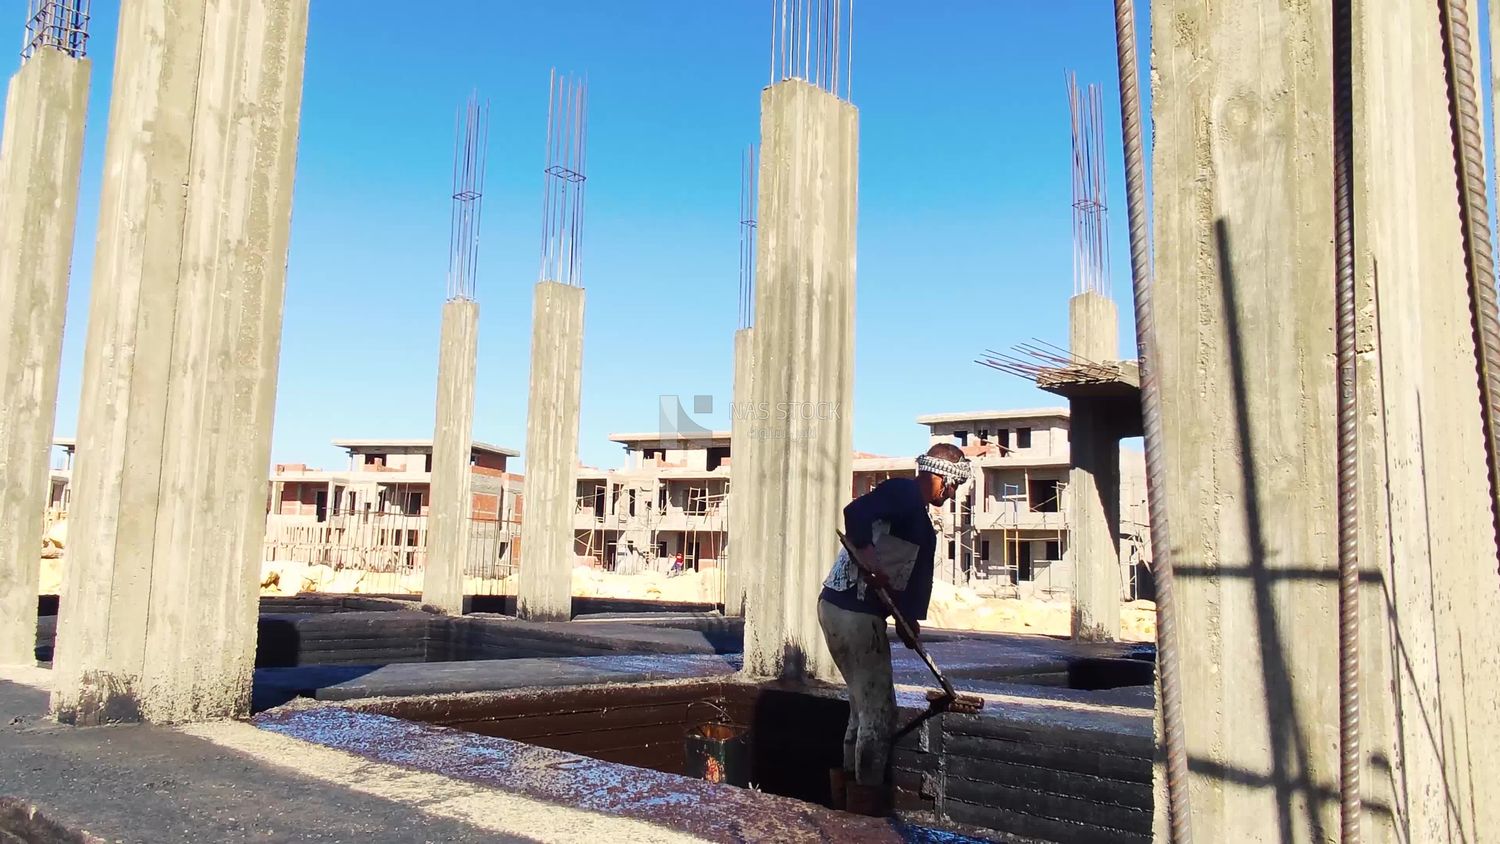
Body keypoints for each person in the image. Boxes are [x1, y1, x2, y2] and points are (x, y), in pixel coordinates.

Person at [817, 442, 971, 817]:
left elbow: (910, 586)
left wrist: (909, 623)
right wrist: (868, 559)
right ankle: (866, 810)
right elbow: (855, 513)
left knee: (861, 708)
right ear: (939, 477)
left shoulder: (919, 521)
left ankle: (848, 800)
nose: (950, 497)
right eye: (950, 488)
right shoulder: (903, 492)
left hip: (837, 607)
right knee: (881, 712)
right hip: (853, 611)